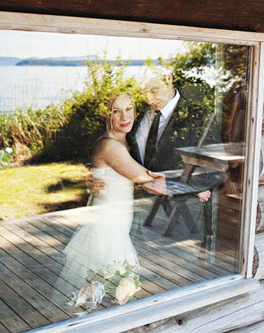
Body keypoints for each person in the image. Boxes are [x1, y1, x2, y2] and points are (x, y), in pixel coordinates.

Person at [54, 93, 165, 310]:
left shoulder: (125, 141)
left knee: (108, 294)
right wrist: (194, 180)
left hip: (117, 226)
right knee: (101, 296)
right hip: (106, 230)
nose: (125, 116)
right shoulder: (111, 146)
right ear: (109, 115)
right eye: (117, 111)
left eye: (129, 109)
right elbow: (148, 181)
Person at [88, 71, 223, 241]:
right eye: (143, 93)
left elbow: (217, 169)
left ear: (169, 78)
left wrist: (189, 186)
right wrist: (95, 173)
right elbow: (115, 149)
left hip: (180, 220)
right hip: (134, 218)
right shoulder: (134, 114)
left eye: (153, 90)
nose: (149, 99)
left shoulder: (199, 116)